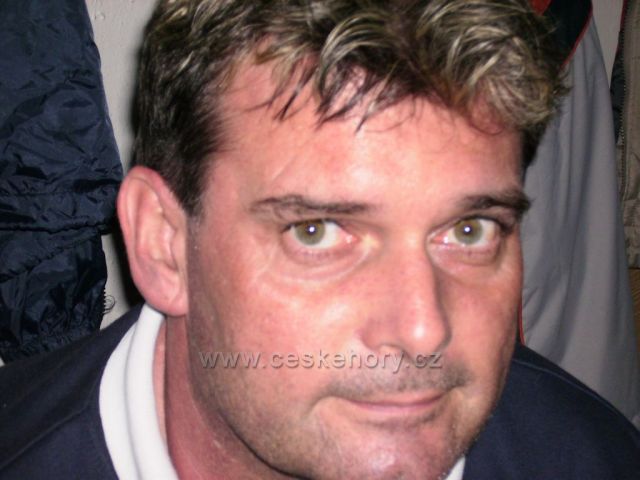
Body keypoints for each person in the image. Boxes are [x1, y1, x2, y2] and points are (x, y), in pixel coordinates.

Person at [0, 0, 637, 479]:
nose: (424, 331)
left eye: (469, 230)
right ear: (164, 244)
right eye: (317, 232)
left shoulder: (595, 459)